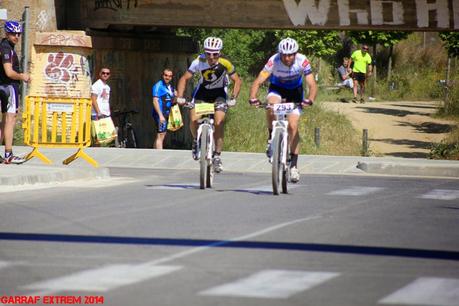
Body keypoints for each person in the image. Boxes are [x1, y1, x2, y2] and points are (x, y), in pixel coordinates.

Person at [248, 37, 317, 183]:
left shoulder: (302, 60)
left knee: (292, 126)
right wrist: (253, 97)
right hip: (277, 89)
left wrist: (309, 99)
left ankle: (294, 166)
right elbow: (259, 80)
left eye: (290, 54)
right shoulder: (274, 60)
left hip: (295, 93)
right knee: (271, 106)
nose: (287, 58)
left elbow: (311, 84)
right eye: (284, 55)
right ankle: (271, 135)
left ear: (295, 53)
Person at [176, 36, 241, 173]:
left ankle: (217, 155)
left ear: (220, 53)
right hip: (202, 94)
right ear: (204, 52)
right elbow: (184, 78)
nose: (211, 57)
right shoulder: (198, 61)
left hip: (219, 95)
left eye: (215, 54)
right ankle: (196, 141)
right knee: (193, 119)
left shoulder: (225, 63)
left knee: (218, 122)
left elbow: (237, 80)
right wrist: (180, 97)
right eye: (208, 53)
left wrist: (233, 98)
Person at [0, 21, 30, 164]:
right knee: (10, 120)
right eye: (13, 33)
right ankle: (8, 154)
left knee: (5, 121)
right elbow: (9, 72)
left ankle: (6, 154)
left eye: (19, 34)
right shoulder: (6, 48)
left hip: (4, 86)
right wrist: (22, 76)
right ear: (7, 33)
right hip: (9, 86)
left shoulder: (6, 46)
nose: (17, 36)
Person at [152, 68, 176, 149]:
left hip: (167, 113)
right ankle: (159, 155)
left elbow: (172, 99)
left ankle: (153, 153)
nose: (167, 77)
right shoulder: (158, 86)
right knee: (161, 134)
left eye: (170, 76)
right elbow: (155, 101)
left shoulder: (170, 87)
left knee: (162, 134)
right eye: (166, 75)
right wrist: (160, 115)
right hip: (160, 113)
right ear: (162, 75)